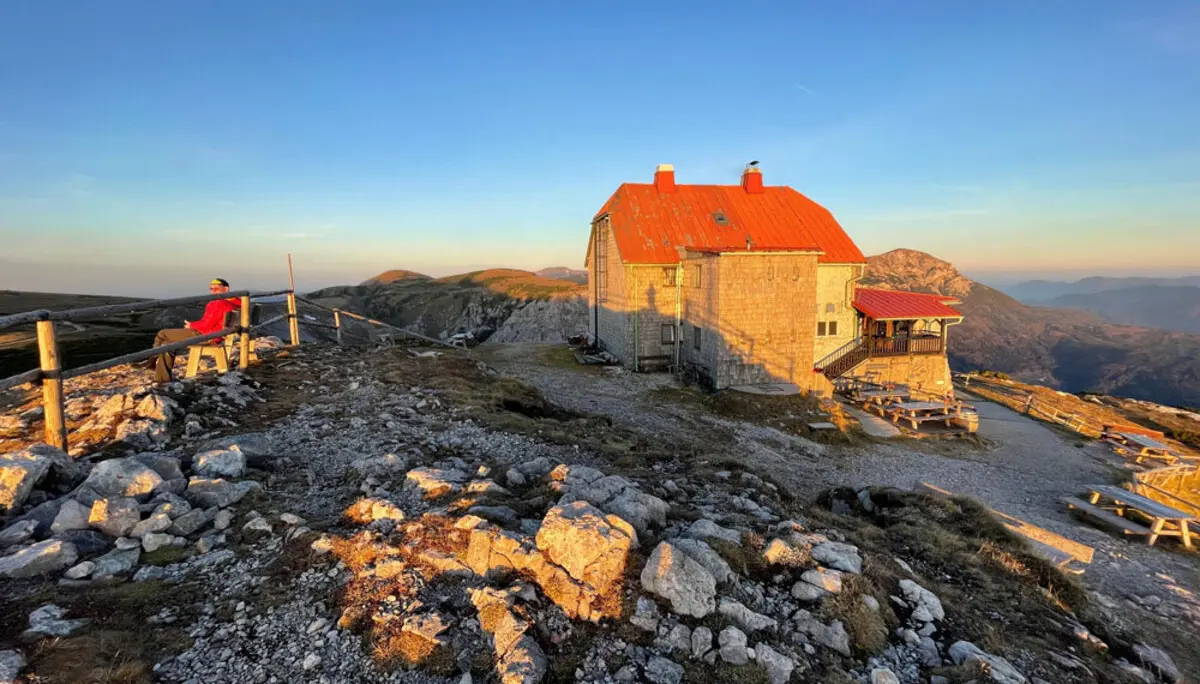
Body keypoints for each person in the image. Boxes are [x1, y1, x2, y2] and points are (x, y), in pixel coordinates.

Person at [148, 278, 240, 383]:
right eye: (211, 289)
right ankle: (162, 377)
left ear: (226, 289)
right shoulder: (238, 303)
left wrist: (191, 325)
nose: (213, 291)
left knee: (162, 333)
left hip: (206, 335)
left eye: (216, 289)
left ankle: (152, 361)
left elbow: (206, 325)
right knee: (166, 343)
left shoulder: (217, 303)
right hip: (218, 335)